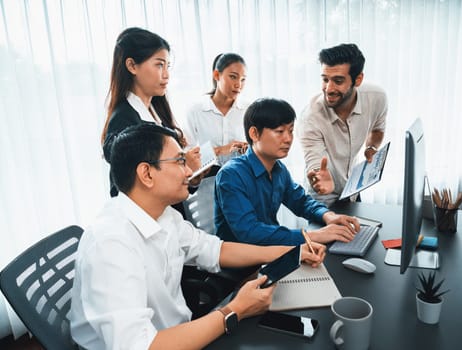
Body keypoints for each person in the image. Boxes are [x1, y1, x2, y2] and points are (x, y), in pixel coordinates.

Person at [70, 123, 326, 349]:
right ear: (147, 174)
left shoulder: (164, 215)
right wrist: (234, 310)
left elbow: (217, 250)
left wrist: (292, 251)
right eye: (180, 161)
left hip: (179, 333)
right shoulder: (111, 243)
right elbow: (140, 345)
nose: (189, 171)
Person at [214, 97, 360, 246]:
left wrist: (328, 215)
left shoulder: (278, 169)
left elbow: (300, 201)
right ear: (254, 134)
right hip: (243, 265)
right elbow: (250, 232)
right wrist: (312, 236)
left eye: (290, 131)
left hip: (271, 252)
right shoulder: (231, 175)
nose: (288, 139)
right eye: (279, 131)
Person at [100, 27, 202, 197]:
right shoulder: (124, 118)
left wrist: (191, 176)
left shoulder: (158, 110)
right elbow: (126, 189)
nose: (167, 75)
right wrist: (183, 163)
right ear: (132, 66)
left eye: (167, 66)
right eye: (159, 65)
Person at [299, 43, 388, 206]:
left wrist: (372, 148)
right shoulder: (310, 118)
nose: (329, 89)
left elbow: (377, 129)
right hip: (323, 198)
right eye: (325, 80)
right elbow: (315, 162)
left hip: (352, 190)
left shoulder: (377, 98)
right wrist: (319, 178)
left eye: (338, 81)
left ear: (358, 79)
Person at [184, 53, 249, 166]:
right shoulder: (195, 111)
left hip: (241, 179)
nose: (238, 84)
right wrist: (219, 150)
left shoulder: (249, 110)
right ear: (217, 75)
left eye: (243, 79)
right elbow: (186, 159)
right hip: (207, 180)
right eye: (233, 77)